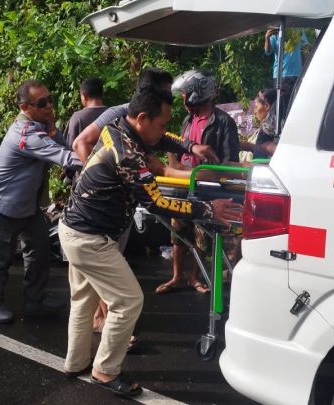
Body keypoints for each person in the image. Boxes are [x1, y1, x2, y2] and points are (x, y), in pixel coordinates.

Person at [60, 84, 242, 397]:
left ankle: (75, 362)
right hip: (90, 238)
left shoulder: (117, 126)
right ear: (142, 118)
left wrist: (188, 147)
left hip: (73, 229)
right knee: (128, 300)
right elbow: (156, 201)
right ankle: (104, 371)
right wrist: (209, 207)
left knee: (84, 299)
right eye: (160, 124)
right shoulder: (129, 155)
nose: (163, 132)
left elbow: (163, 139)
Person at [0, 79, 80, 324]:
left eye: (50, 100)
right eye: (42, 103)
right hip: (1, 204)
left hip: (27, 204)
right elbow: (66, 156)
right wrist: (105, 166)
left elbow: (65, 147)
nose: (49, 106)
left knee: (40, 251)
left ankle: (35, 301)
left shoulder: (42, 127)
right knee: (1, 258)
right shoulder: (25, 134)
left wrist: (54, 130)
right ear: (25, 108)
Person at [158, 69, 240, 295]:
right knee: (178, 232)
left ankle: (194, 277)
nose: (182, 99)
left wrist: (203, 172)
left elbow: (229, 163)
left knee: (201, 236)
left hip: (207, 190)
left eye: (185, 94)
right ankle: (176, 277)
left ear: (197, 93)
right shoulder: (188, 119)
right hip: (182, 186)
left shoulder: (223, 122)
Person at [71, 68, 218, 171]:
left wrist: (190, 147)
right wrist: (103, 178)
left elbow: (163, 139)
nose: (169, 98)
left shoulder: (150, 121)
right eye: (164, 93)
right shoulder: (120, 113)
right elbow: (80, 143)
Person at [253, 87, 286, 158]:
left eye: (256, 107)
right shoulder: (267, 127)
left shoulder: (275, 128)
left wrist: (248, 146)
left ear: (267, 106)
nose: (254, 111)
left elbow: (282, 153)